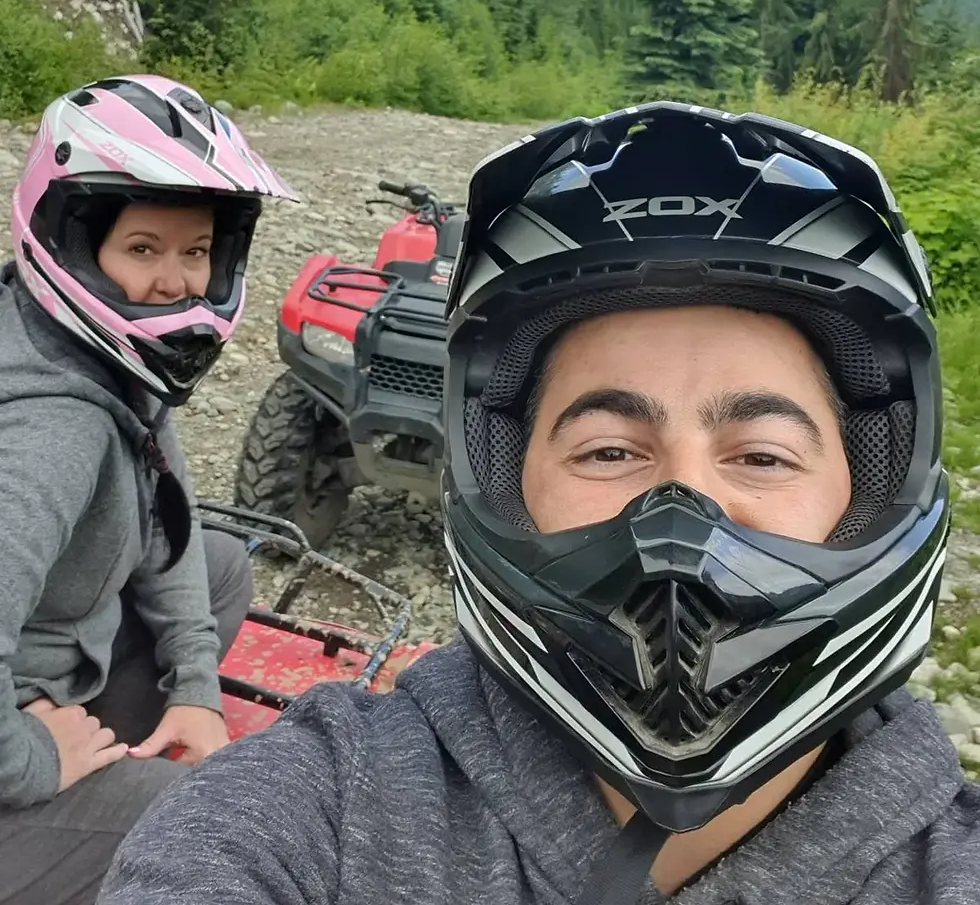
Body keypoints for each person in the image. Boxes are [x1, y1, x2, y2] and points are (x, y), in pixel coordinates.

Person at [99, 101, 980, 905]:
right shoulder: (320, 805)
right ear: (507, 478)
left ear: (869, 489)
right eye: (608, 449)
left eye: (761, 453)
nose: (682, 515)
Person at [0, 74, 297, 904]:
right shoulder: (55, 430)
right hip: (13, 736)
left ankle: (109, 753)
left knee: (218, 564)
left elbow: (164, 518)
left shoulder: (93, 353)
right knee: (216, 828)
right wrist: (30, 758)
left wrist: (197, 688)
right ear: (70, 241)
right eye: (143, 249)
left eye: (195, 250)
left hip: (48, 657)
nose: (176, 281)